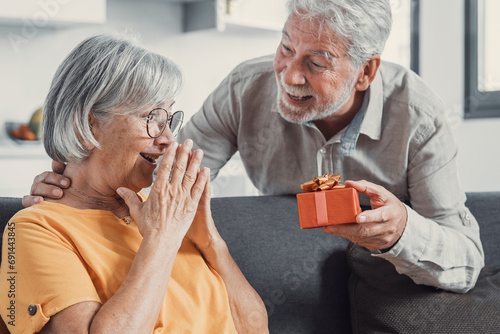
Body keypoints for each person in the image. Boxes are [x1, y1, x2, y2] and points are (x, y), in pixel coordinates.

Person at [24, 0, 484, 293]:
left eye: (316, 63)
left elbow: (467, 261)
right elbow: (164, 170)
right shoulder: (246, 88)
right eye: (285, 47)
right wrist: (73, 188)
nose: (288, 75)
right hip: (281, 272)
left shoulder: (420, 117)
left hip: (391, 282)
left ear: (366, 72)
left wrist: (402, 229)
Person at [0, 34, 268, 333]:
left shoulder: (168, 211)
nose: (167, 138)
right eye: (151, 117)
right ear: (87, 125)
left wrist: (211, 242)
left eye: (169, 119)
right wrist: (162, 240)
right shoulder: (37, 230)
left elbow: (255, 328)